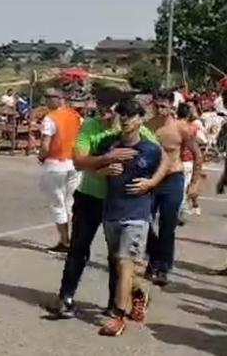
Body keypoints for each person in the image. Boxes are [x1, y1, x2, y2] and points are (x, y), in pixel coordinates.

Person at [46, 87, 162, 320]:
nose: (105, 116)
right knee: (78, 248)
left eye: (110, 111)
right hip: (90, 195)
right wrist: (107, 158)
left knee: (117, 257)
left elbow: (165, 158)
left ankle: (114, 304)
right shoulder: (90, 126)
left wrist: (151, 182)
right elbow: (78, 162)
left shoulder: (135, 127)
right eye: (100, 110)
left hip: (120, 202)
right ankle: (65, 297)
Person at [96, 98, 166, 336]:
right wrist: (104, 167)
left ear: (140, 119)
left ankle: (118, 316)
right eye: (122, 115)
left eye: (131, 115)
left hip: (137, 214)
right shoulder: (109, 143)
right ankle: (139, 293)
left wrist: (151, 182)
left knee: (126, 263)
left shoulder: (150, 149)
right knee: (120, 264)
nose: (125, 119)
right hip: (112, 212)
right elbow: (90, 165)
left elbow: (167, 164)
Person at [144, 89, 203, 287]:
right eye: (157, 106)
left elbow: (197, 154)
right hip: (151, 179)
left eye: (164, 106)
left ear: (172, 107)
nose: (160, 110)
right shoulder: (146, 127)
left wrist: (194, 183)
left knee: (167, 225)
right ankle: (152, 259)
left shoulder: (181, 128)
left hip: (173, 178)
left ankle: (162, 268)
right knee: (145, 222)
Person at [37, 88, 83, 253]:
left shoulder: (50, 118)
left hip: (56, 163)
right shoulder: (76, 116)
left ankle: (64, 241)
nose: (47, 100)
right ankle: (76, 239)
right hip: (74, 163)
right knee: (70, 203)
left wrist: (41, 156)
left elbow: (45, 145)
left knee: (57, 203)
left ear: (60, 99)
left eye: (50, 97)